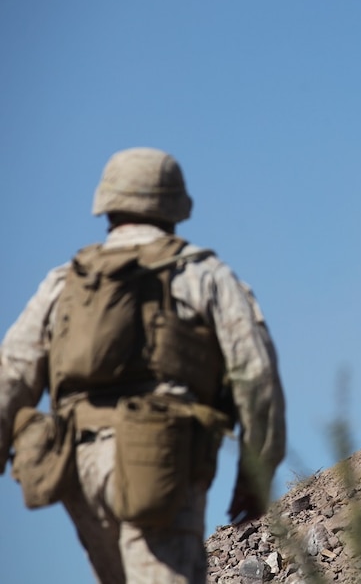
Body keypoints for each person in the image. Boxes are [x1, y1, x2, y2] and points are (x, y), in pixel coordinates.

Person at [0, 147, 287, 584]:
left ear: (108, 205)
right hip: (160, 459)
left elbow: (12, 372)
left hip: (75, 466)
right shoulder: (204, 275)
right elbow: (256, 379)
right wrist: (256, 473)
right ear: (174, 206)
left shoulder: (68, 280)